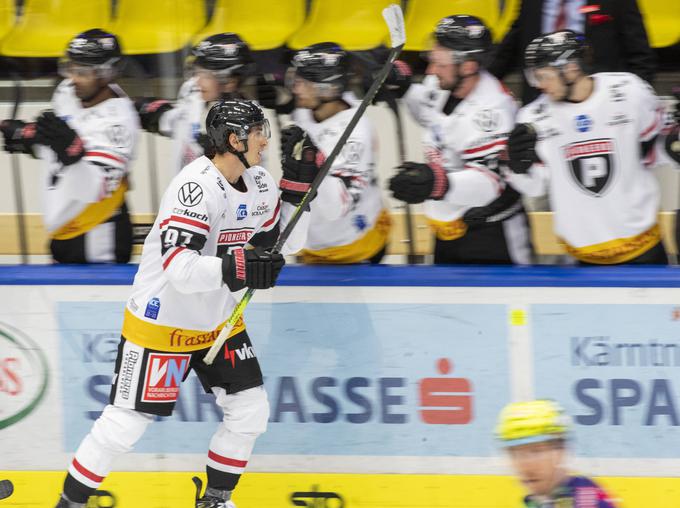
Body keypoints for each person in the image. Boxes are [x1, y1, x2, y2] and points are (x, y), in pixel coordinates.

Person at [54, 99, 313, 508]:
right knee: (125, 425)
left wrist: (299, 194)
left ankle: (214, 500)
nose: (266, 140)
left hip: (218, 322)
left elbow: (287, 243)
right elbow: (181, 270)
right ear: (234, 139)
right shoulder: (194, 188)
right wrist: (240, 267)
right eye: (259, 131)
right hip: (163, 322)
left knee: (250, 410)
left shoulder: (261, 183)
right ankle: (70, 502)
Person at [504, 30, 668, 265]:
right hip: (581, 258)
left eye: (545, 76)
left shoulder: (629, 91)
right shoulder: (533, 117)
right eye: (535, 77)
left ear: (571, 68)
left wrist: (672, 144)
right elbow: (535, 187)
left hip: (643, 250)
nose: (540, 85)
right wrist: (517, 166)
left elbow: (656, 148)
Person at [388, 15, 533, 265]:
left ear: (468, 66)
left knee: (505, 304)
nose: (431, 71)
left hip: (490, 236)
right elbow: (432, 113)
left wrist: (436, 182)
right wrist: (404, 88)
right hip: (447, 228)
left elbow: (489, 182)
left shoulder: (493, 110)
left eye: (439, 64)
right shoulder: (445, 83)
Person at [0, 28, 137, 263]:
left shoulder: (118, 125)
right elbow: (59, 139)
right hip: (63, 223)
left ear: (107, 74)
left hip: (98, 232)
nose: (73, 77)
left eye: (82, 71)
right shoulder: (69, 92)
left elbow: (95, 189)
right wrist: (29, 137)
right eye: (70, 67)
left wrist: (71, 153)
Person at [286, 42, 391, 264]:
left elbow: (336, 207)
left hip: (355, 246)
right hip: (315, 244)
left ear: (328, 89)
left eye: (304, 83)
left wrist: (312, 163)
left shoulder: (355, 134)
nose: (296, 88)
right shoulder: (311, 109)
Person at [134, 33, 278, 173]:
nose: (197, 80)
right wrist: (156, 114)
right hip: (182, 191)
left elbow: (253, 179)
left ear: (230, 81)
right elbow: (181, 122)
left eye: (205, 75)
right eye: (196, 72)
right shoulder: (194, 92)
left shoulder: (251, 123)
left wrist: (218, 158)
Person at [489, 0, 656, 105]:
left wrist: (635, 103)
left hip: (598, 106)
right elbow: (510, 47)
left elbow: (640, 55)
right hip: (543, 104)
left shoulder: (615, 2)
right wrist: (484, 81)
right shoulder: (531, 2)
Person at [496, 399, 617, 507]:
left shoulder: (586, 498)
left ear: (561, 451)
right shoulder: (537, 501)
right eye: (515, 454)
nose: (525, 466)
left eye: (536, 452)